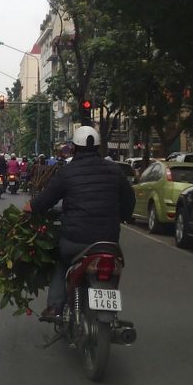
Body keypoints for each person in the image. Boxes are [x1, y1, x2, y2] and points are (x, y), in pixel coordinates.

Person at [24, 126, 135, 321]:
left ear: (74, 148)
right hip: (109, 240)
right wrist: (122, 216)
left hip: (75, 241)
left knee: (61, 260)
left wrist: (31, 208)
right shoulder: (114, 170)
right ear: (99, 148)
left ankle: (55, 307)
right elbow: (129, 201)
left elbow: (45, 200)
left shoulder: (67, 172)